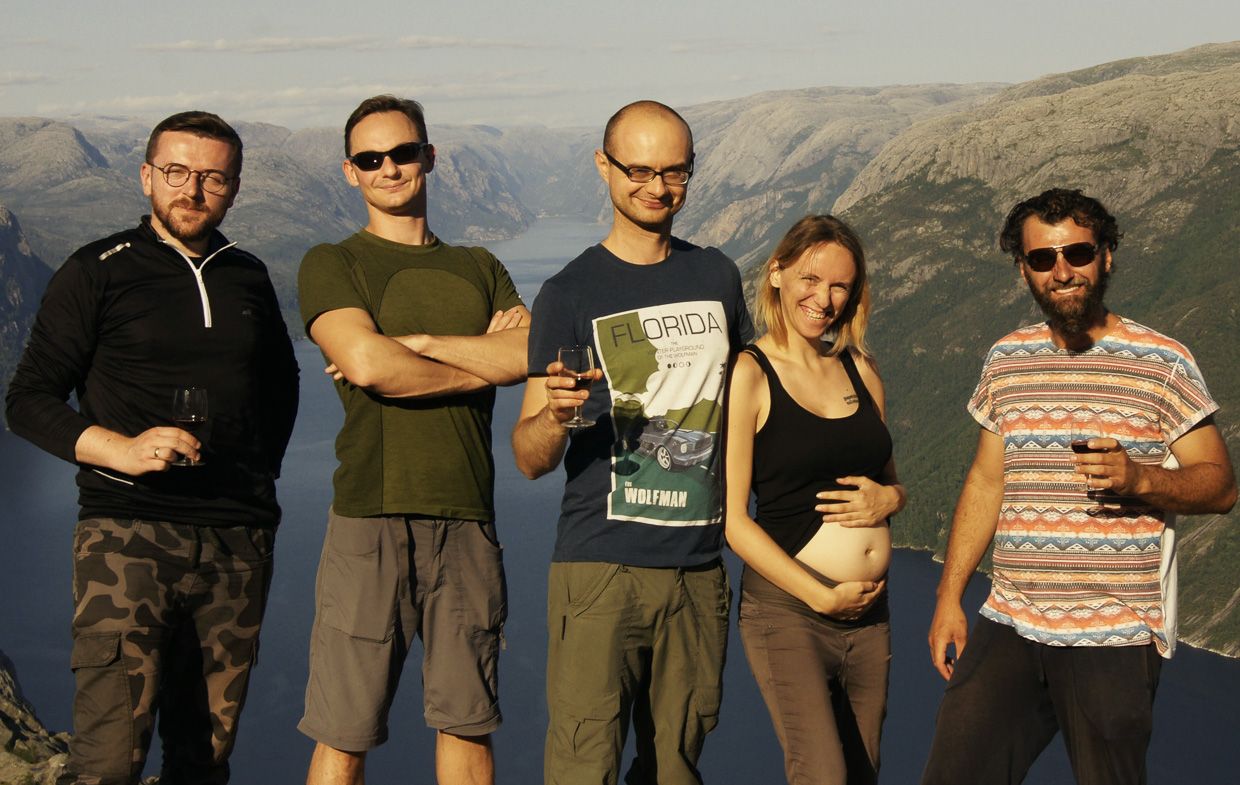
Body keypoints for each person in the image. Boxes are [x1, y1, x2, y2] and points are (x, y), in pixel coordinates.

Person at [5, 110, 300, 785]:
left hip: (237, 543)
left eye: (213, 178)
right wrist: (123, 450)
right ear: (146, 177)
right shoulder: (96, 271)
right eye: (176, 172)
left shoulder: (248, 275)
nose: (192, 190)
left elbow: (282, 386)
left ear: (234, 187)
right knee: (110, 758)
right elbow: (26, 401)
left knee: (204, 758)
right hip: (128, 537)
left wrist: (259, 483)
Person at [922, 188, 1237, 785]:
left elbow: (1220, 486)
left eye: (1079, 252)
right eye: (1043, 259)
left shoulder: (1163, 362)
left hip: (1112, 634)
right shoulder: (1007, 359)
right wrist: (948, 595)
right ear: (1024, 269)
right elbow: (989, 478)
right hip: (1009, 621)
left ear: (1107, 256)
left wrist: (1140, 477)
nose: (1062, 271)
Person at [512, 100, 754, 785]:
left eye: (675, 171)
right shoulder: (568, 291)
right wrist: (554, 417)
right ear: (604, 167)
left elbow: (751, 401)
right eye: (639, 169)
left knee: (676, 767)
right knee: (583, 768)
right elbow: (528, 457)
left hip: (698, 569)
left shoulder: (718, 278)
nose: (657, 186)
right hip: (600, 571)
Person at [296, 95, 529, 785]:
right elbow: (367, 367)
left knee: (468, 722)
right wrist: (477, 364)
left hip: (466, 519)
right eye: (371, 158)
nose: (389, 168)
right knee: (343, 728)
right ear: (349, 172)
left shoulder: (481, 265)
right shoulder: (331, 262)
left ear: (430, 157)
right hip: (368, 515)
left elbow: (528, 356)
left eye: (402, 153)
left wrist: (418, 346)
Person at [725, 215, 904, 785]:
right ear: (776, 273)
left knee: (861, 773)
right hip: (790, 610)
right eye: (809, 278)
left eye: (839, 286)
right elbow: (734, 521)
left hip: (871, 616)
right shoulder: (751, 374)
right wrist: (821, 599)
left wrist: (890, 499)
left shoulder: (861, 368)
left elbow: (892, 482)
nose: (822, 299)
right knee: (822, 774)